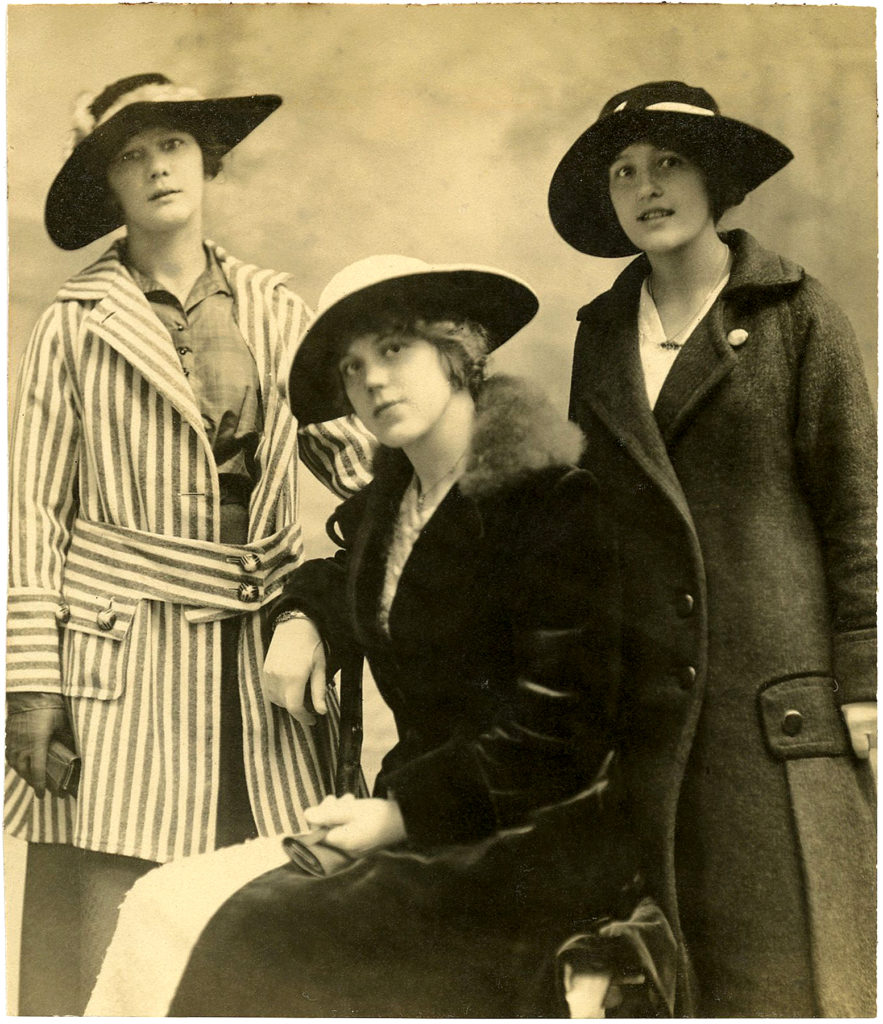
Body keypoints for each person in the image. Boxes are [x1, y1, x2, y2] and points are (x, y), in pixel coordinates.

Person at [86, 254, 677, 1017]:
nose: (371, 381)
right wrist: (300, 618)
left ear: (458, 349)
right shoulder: (393, 501)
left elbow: (563, 729)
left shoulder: (553, 501)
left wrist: (400, 814)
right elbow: (353, 574)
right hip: (436, 825)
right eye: (352, 365)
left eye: (394, 349)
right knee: (163, 904)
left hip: (542, 841)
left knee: (251, 938)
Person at [5, 72, 373, 1014]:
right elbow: (33, 513)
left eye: (172, 145)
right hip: (122, 666)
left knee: (258, 913)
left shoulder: (274, 310)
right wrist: (31, 681)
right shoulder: (74, 325)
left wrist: (358, 476)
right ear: (109, 185)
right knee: (111, 927)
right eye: (131, 154)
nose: (157, 167)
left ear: (207, 162)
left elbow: (354, 459)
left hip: (258, 660)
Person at [548, 80, 876, 1016]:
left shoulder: (794, 315)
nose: (646, 187)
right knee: (673, 975)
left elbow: (856, 509)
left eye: (670, 163)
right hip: (650, 714)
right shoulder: (601, 338)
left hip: (775, 709)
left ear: (715, 178)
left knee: (793, 979)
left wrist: (865, 680)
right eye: (622, 171)